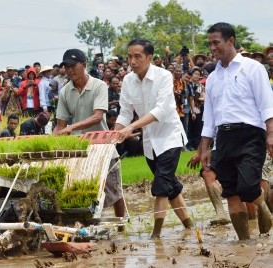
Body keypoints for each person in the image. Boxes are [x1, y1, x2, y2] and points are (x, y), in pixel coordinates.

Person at [112, 39, 193, 239]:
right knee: (171, 188)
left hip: (169, 138)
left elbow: (162, 110)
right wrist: (115, 134)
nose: (133, 61)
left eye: (138, 56)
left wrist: (132, 126)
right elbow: (124, 113)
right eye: (130, 56)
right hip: (149, 142)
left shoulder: (164, 76)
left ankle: (155, 236)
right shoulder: (129, 81)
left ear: (149, 57)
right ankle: (189, 227)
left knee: (161, 187)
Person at [199, 22, 273, 240]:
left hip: (250, 135)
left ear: (230, 41)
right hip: (223, 138)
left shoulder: (252, 68)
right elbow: (209, 118)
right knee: (230, 192)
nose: (212, 48)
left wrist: (270, 133)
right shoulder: (213, 78)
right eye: (210, 43)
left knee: (248, 186)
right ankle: (244, 243)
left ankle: (265, 211)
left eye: (217, 43)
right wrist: (204, 147)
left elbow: (267, 104)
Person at [53, 48, 126, 226]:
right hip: (80, 149)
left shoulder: (99, 86)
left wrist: (72, 127)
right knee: (81, 188)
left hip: (103, 146)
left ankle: (121, 225)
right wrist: (51, 142)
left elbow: (97, 116)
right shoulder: (64, 92)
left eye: (72, 66)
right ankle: (85, 224)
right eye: (66, 67)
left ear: (84, 65)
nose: (69, 70)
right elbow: (60, 124)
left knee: (114, 189)